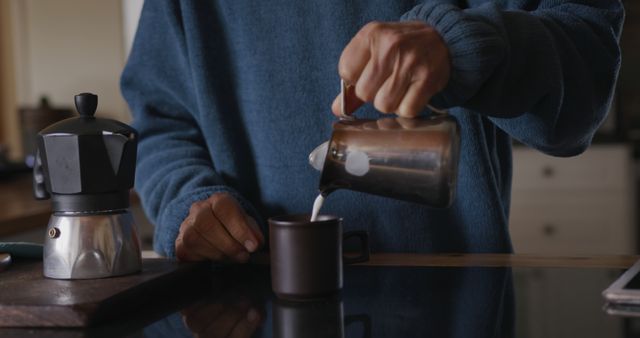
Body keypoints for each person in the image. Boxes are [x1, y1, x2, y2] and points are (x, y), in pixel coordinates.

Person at [121, 1, 624, 261]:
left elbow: (586, 69)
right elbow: (161, 121)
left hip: (448, 303)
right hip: (245, 308)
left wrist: (463, 45)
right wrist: (189, 201)